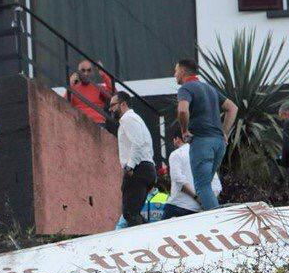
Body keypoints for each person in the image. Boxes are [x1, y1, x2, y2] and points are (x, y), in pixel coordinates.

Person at [174, 58, 238, 211]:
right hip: (219, 143)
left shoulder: (185, 88)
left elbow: (183, 110)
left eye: (176, 71)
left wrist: (184, 131)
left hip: (202, 142)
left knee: (202, 187)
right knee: (206, 186)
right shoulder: (210, 89)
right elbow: (232, 108)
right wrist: (224, 132)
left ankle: (217, 223)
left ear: (182, 72)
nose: (174, 74)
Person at [109, 92, 156, 227]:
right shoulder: (134, 119)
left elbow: (138, 143)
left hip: (138, 169)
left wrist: (130, 166)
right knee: (132, 213)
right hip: (144, 168)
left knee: (130, 213)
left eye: (113, 105)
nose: (110, 109)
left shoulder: (128, 119)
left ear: (123, 104)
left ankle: (147, 240)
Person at [164, 134, 222, 219]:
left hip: (178, 206)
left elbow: (178, 179)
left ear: (177, 139)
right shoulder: (205, 155)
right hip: (198, 212)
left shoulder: (176, 154)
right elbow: (217, 186)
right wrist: (205, 201)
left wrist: (196, 197)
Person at [66, 59, 113, 124]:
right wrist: (70, 85)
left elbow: (114, 94)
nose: (86, 73)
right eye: (83, 70)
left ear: (92, 73)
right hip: (80, 124)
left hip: (98, 123)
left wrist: (103, 73)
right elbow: (63, 103)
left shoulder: (98, 88)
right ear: (77, 73)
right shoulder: (73, 89)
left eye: (89, 70)